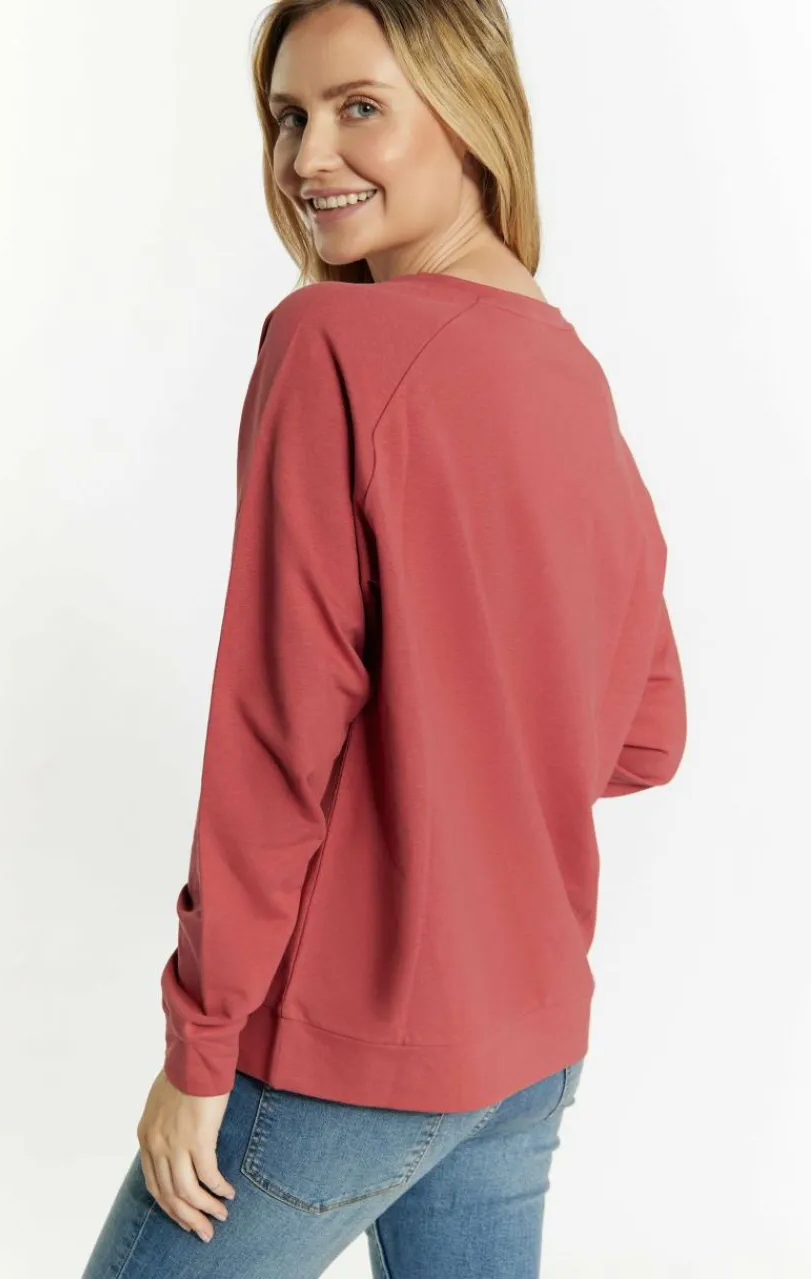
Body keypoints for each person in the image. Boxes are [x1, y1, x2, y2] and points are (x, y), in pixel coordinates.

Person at [81, 0, 687, 1274]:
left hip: (341, 1052)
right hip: (525, 1044)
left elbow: (274, 733)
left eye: (359, 108)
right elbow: (644, 734)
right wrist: (467, 755)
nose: (307, 158)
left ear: (466, 115)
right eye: (288, 116)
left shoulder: (331, 343)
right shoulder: (567, 370)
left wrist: (199, 1044)